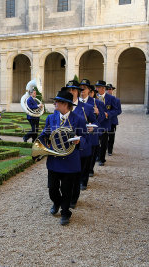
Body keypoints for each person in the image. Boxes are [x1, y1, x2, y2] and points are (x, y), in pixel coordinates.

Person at [40, 90, 87, 225]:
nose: (54, 103)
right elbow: (45, 134)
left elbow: (85, 138)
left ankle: (65, 213)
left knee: (67, 190)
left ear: (65, 104)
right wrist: (41, 142)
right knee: (53, 189)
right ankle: (56, 202)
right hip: (54, 159)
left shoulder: (78, 119)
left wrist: (79, 141)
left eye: (57, 101)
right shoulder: (51, 118)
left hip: (70, 161)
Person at [61, 80, 96, 208]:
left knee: (76, 176)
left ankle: (73, 199)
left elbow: (94, 123)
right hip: (65, 148)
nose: (71, 92)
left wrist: (92, 128)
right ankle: (64, 197)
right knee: (65, 175)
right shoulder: (61, 107)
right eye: (69, 90)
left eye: (73, 90)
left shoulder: (86, 107)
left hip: (80, 147)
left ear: (78, 92)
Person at [80, 79, 106, 179]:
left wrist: (98, 113)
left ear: (89, 90)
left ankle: (89, 170)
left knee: (91, 156)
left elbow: (103, 118)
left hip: (92, 134)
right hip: (80, 133)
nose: (82, 90)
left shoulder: (96, 102)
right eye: (80, 88)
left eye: (84, 88)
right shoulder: (75, 102)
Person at [95, 80, 119, 166]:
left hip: (105, 123)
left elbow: (117, 110)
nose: (97, 89)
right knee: (95, 141)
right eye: (96, 87)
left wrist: (108, 114)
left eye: (98, 87)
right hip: (96, 122)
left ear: (103, 88)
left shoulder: (111, 98)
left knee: (104, 141)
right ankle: (97, 156)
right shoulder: (94, 98)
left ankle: (102, 159)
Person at [106, 84, 122, 156]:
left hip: (112, 121)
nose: (109, 90)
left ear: (112, 90)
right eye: (107, 89)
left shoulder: (116, 100)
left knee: (111, 136)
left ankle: (110, 150)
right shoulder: (101, 100)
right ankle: (104, 148)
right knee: (103, 137)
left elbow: (119, 111)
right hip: (104, 121)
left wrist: (110, 114)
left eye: (110, 89)